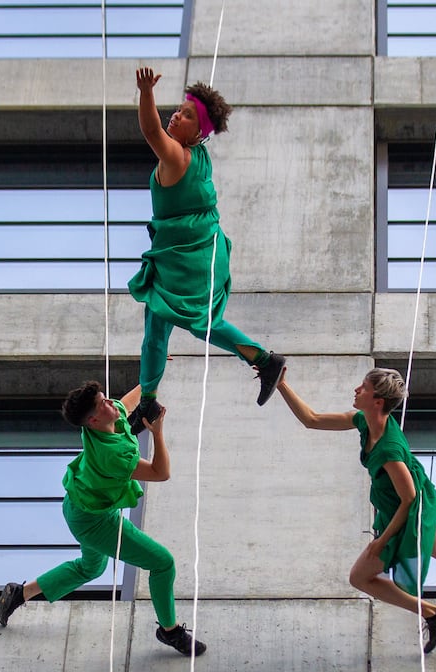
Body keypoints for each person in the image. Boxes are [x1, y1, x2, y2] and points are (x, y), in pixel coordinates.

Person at [277, 367, 436, 654]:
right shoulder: (365, 422)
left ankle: (432, 613)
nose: (356, 390)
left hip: (409, 507)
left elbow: (409, 499)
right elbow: (312, 419)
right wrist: (281, 384)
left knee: (359, 577)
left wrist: (381, 540)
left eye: (363, 387)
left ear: (378, 401)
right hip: (407, 499)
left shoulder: (389, 450)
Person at [0, 380, 206, 657]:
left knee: (90, 568)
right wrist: (158, 433)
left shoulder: (104, 418)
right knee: (163, 563)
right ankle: (170, 631)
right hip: (95, 523)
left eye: (106, 398)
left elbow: (129, 400)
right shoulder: (113, 456)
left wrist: (153, 374)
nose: (111, 402)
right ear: (93, 420)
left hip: (78, 509)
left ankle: (19, 593)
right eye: (103, 403)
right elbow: (160, 473)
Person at [126, 67, 285, 433]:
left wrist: (146, 92)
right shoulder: (197, 155)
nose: (176, 116)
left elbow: (150, 131)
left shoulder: (177, 157)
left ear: (198, 133)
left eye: (186, 115)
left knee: (200, 322)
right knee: (155, 327)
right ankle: (147, 400)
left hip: (191, 257)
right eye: (178, 109)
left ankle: (264, 359)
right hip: (183, 252)